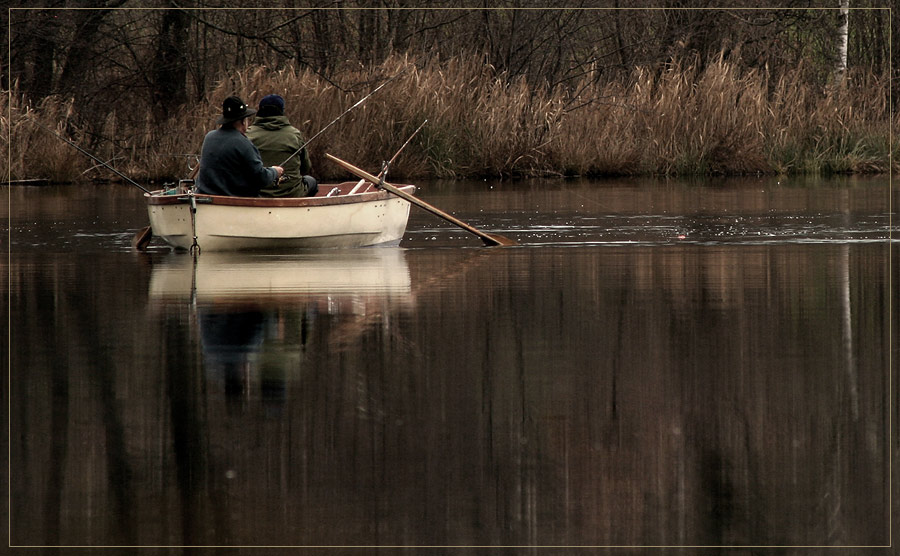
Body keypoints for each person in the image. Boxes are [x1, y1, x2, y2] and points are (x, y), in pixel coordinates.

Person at [196, 95, 283, 197]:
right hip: (233, 202)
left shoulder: (209, 137)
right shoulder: (243, 143)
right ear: (243, 121)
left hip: (206, 199)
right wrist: (275, 172)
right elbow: (261, 178)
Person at [247, 94, 318, 198]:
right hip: (292, 194)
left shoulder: (247, 135)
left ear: (260, 111)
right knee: (311, 181)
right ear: (281, 111)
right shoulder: (295, 134)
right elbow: (305, 168)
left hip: (257, 194)